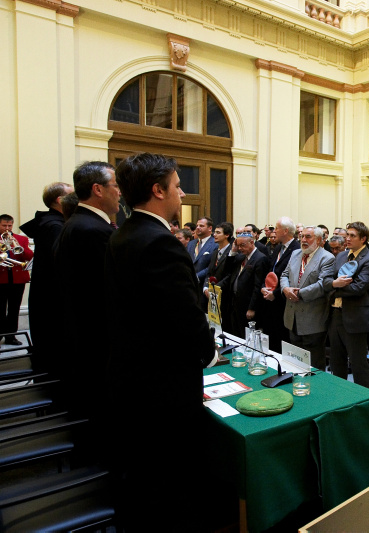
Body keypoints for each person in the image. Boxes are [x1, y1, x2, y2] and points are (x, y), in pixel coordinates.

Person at [105, 152, 215, 531]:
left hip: (133, 373)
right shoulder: (160, 243)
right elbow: (185, 317)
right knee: (170, 474)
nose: (182, 194)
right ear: (157, 190)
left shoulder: (122, 233)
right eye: (178, 186)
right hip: (163, 382)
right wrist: (210, 352)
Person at [54, 161, 119, 410]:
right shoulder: (92, 230)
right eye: (115, 186)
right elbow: (106, 293)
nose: (120, 192)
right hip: (97, 344)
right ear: (98, 189)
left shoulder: (77, 223)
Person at [19, 182, 73, 367]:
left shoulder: (51, 222)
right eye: (72, 195)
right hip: (51, 299)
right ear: (60, 200)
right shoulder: (54, 226)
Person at [324, 221, 369, 389]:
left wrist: (335, 287)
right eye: (347, 235)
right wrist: (334, 285)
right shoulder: (341, 255)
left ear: (363, 239)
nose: (347, 239)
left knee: (358, 364)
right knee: (336, 361)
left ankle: (365, 404)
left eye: (352, 236)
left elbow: (359, 288)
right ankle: (340, 398)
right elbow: (326, 281)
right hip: (336, 314)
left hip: (356, 317)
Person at [280, 226, 335, 370]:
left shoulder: (327, 258)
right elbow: (284, 275)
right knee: (295, 361)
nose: (303, 240)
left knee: (314, 364)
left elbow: (323, 284)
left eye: (308, 237)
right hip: (292, 317)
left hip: (313, 319)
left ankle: (317, 390)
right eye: (302, 236)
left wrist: (299, 293)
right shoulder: (296, 254)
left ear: (318, 240)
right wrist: (285, 289)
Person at [260, 216, 300, 351]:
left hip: (283, 300)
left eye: (277, 228)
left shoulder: (297, 249)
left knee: (282, 341)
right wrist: (263, 288)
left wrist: (275, 294)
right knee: (270, 339)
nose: (274, 231)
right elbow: (270, 271)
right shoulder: (278, 248)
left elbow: (292, 278)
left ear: (285, 231)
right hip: (269, 299)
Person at [0, 214, 34, 345]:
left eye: (9, 226)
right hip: (1, 279)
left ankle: (11, 336)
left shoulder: (20, 239)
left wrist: (16, 245)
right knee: (0, 310)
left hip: (17, 279)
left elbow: (29, 256)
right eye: (4, 226)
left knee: (14, 309)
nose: (7, 228)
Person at [228, 231, 268, 338]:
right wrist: (233, 251)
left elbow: (258, 285)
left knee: (248, 337)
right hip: (236, 303)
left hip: (248, 305)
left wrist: (252, 308)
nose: (240, 248)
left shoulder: (260, 258)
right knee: (237, 334)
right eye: (238, 245)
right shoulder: (240, 257)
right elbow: (228, 270)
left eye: (243, 245)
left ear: (251, 242)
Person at [204, 222, 236, 331]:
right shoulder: (215, 253)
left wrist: (215, 289)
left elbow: (229, 274)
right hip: (212, 297)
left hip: (225, 296)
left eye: (218, 233)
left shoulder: (232, 252)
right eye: (214, 232)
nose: (214, 235)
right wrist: (205, 288)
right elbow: (209, 273)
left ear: (227, 235)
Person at [187, 217, 217, 286]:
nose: (198, 228)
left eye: (201, 226)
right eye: (197, 225)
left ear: (210, 228)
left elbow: (211, 266)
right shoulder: (191, 244)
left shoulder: (215, 244)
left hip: (204, 283)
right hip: (190, 283)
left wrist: (197, 276)